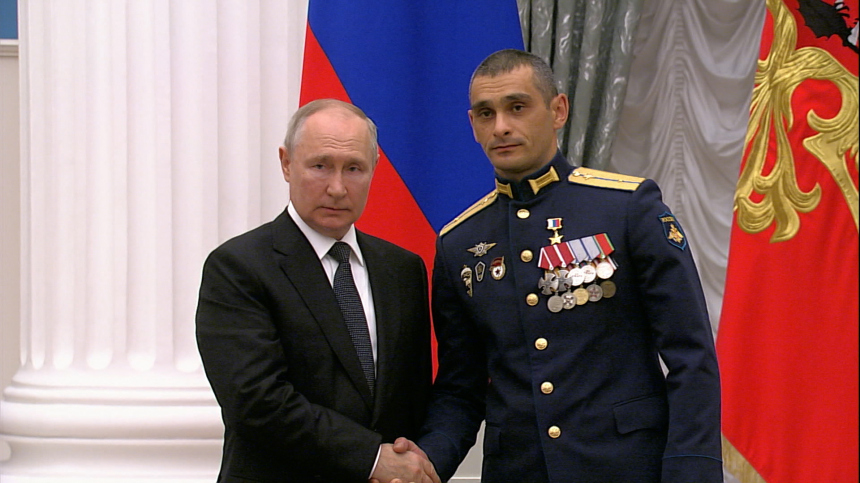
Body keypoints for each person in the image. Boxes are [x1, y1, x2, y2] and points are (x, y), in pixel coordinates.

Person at [395, 49, 723, 482]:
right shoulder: (460, 243)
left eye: (517, 107)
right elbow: (462, 387)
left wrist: (691, 471)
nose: (501, 126)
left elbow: (690, 358)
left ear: (558, 111)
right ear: (472, 125)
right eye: (486, 113)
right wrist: (427, 464)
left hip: (626, 469)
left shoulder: (626, 208)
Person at [196, 99, 440, 483]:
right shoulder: (238, 267)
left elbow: (411, 398)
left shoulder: (403, 269)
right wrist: (371, 459)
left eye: (354, 168)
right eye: (320, 166)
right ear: (286, 163)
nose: (337, 188)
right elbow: (257, 402)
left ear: (374, 169)